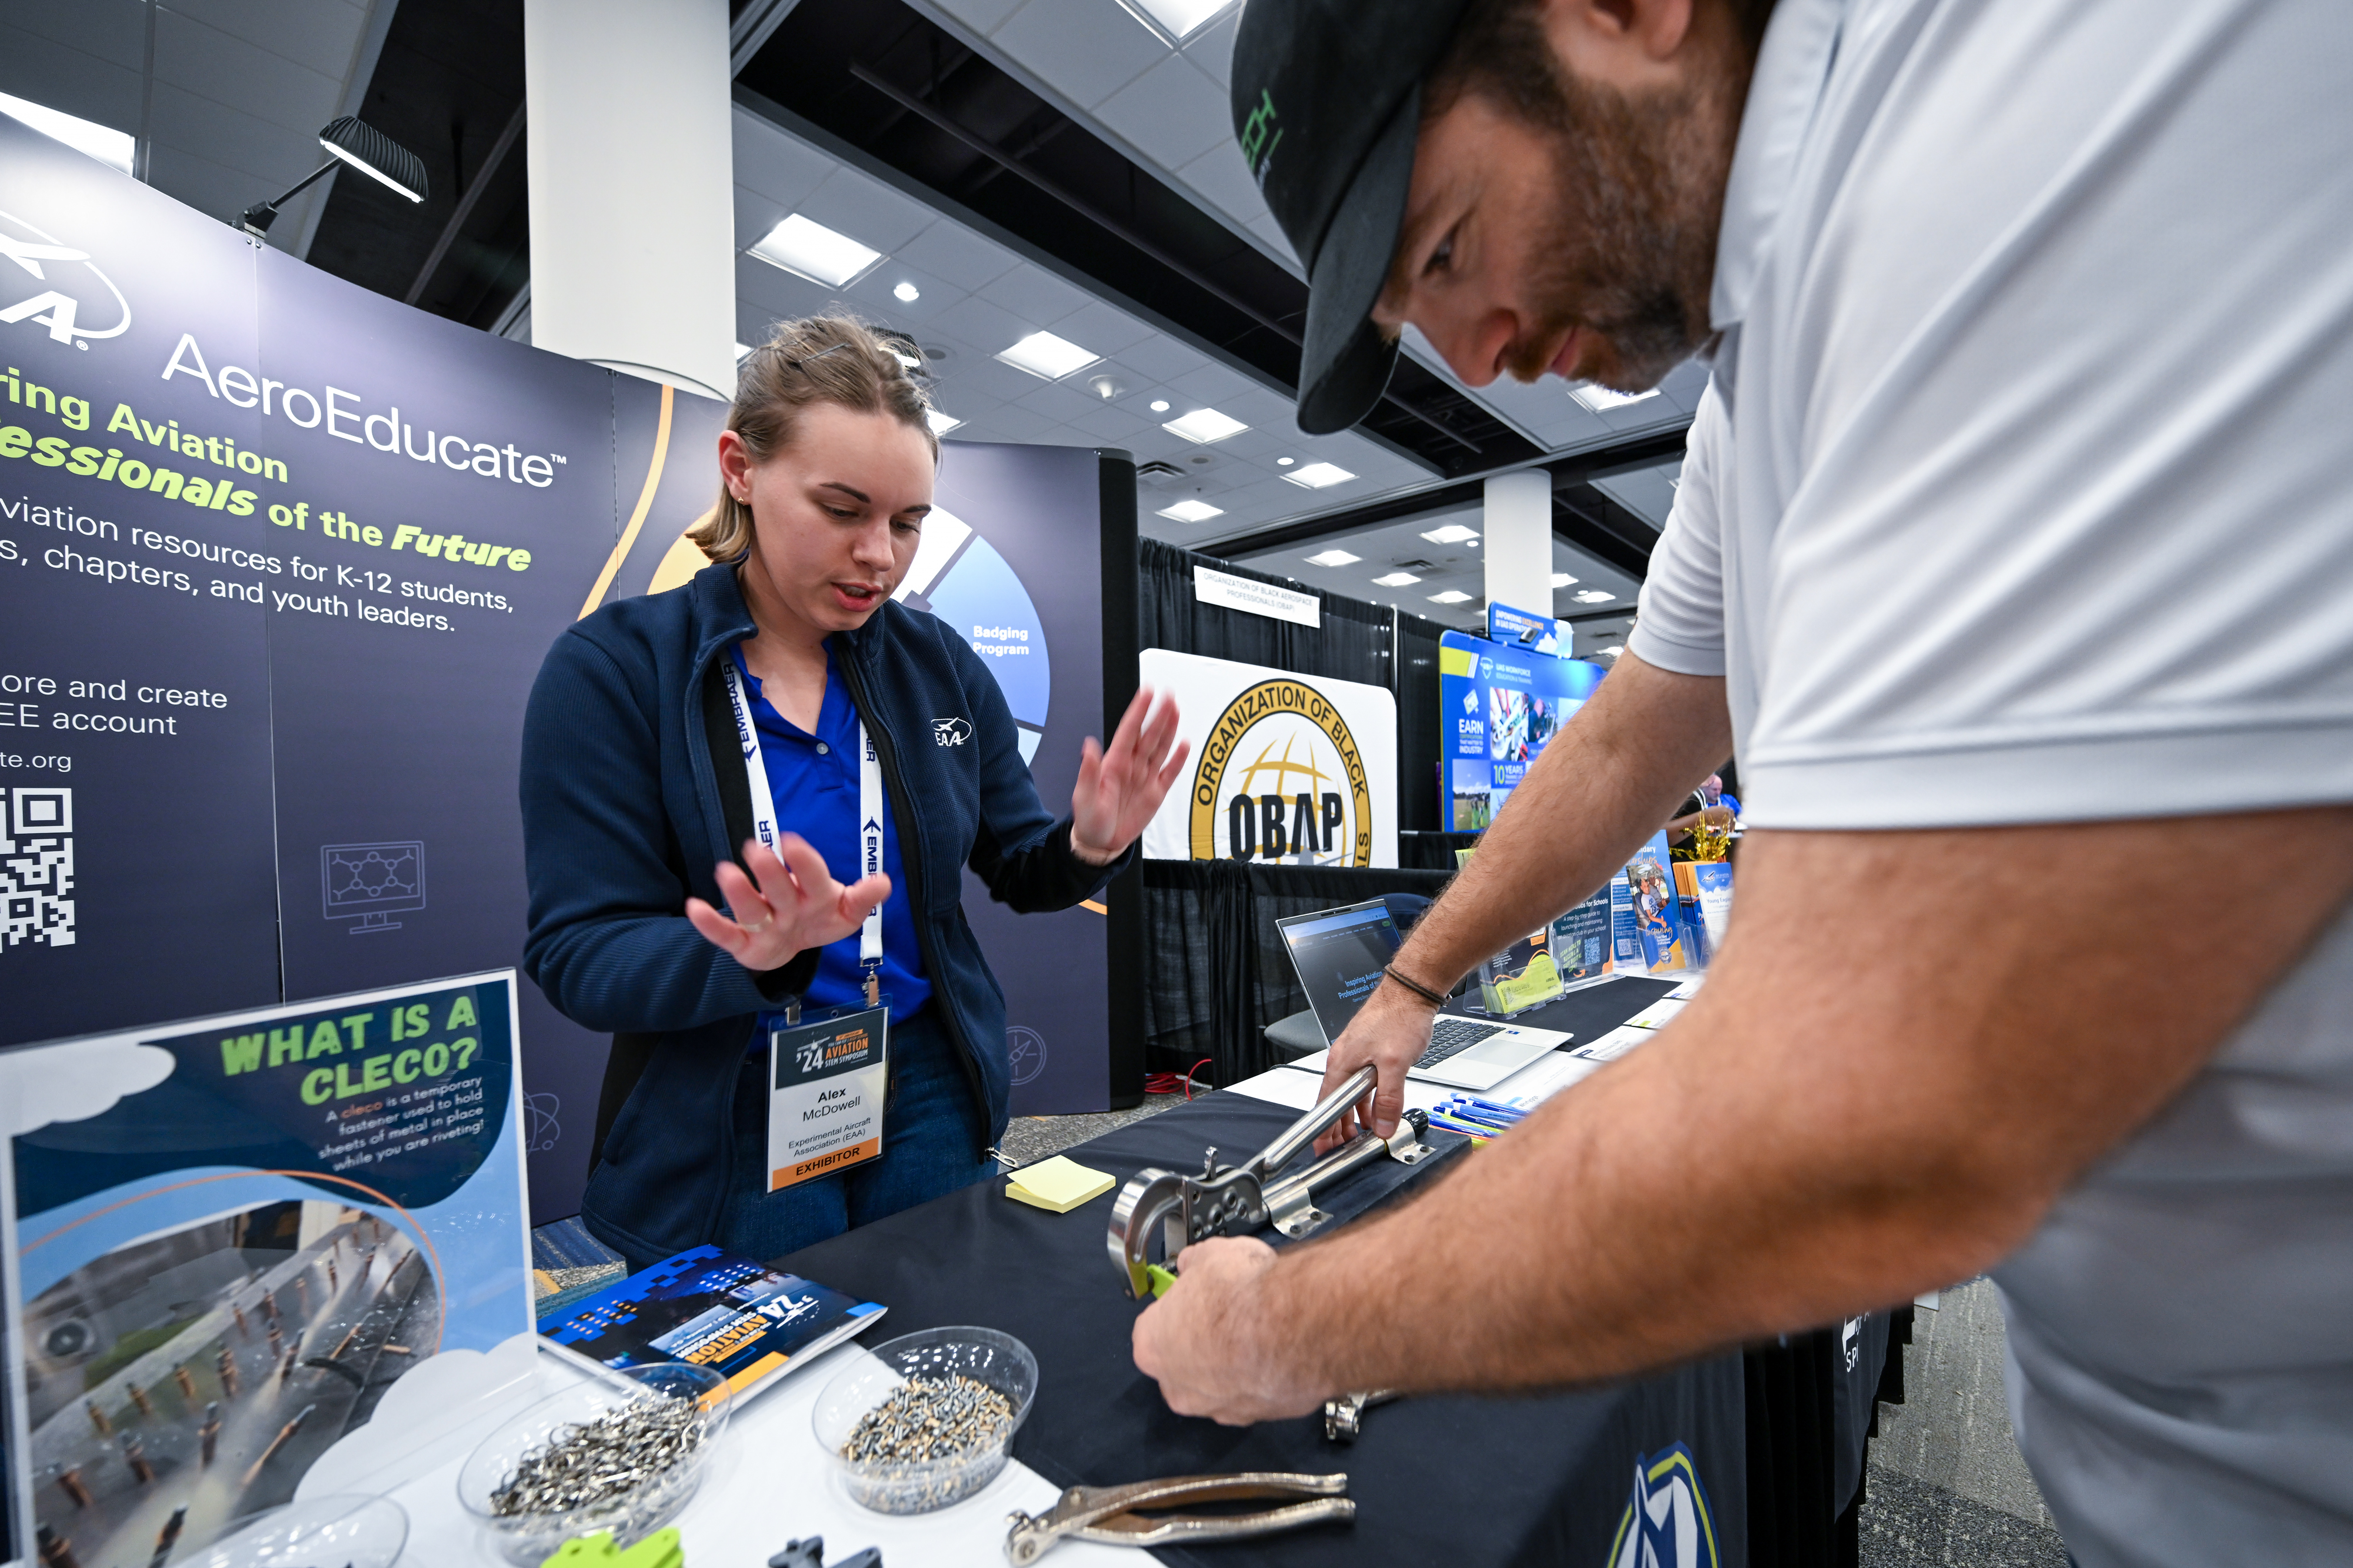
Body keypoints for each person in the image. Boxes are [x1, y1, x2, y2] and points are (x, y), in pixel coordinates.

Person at [1132, 2, 2353, 1562]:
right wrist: (1418, 977)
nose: (1482, 349)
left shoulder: (2002, 123)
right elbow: (1642, 727)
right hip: (2173, 1452)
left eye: (1445, 250)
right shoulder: (1763, 354)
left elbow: (1870, 1112)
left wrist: (1285, 1330)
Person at [522, 317, 1187, 1272]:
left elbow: (1019, 867)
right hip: (733, 1102)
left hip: (922, 1081)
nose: (881, 554)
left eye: (909, 521)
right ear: (740, 469)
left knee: (937, 1349)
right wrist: (750, 956)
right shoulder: (616, 671)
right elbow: (576, 952)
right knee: (768, 1394)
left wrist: (1086, 844)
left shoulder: (938, 666)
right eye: (843, 510)